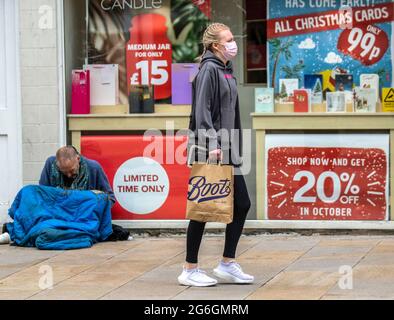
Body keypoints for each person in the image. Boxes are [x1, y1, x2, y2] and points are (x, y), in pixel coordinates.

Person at [178, 23, 254, 287]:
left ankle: (227, 263)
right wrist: (211, 144)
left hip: (228, 148)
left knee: (240, 204)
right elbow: (202, 111)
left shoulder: (226, 69)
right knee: (203, 208)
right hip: (211, 148)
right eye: (229, 39)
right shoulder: (209, 70)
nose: (234, 43)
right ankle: (189, 268)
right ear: (215, 46)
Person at [0, 146, 131, 245]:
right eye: (64, 172)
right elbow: (44, 197)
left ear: (78, 159)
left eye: (72, 171)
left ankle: (14, 235)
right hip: (54, 214)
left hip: (81, 217)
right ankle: (14, 233)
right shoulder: (50, 164)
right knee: (29, 191)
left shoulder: (93, 167)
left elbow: (110, 198)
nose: (68, 175)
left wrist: (91, 200)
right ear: (57, 164)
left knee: (91, 204)